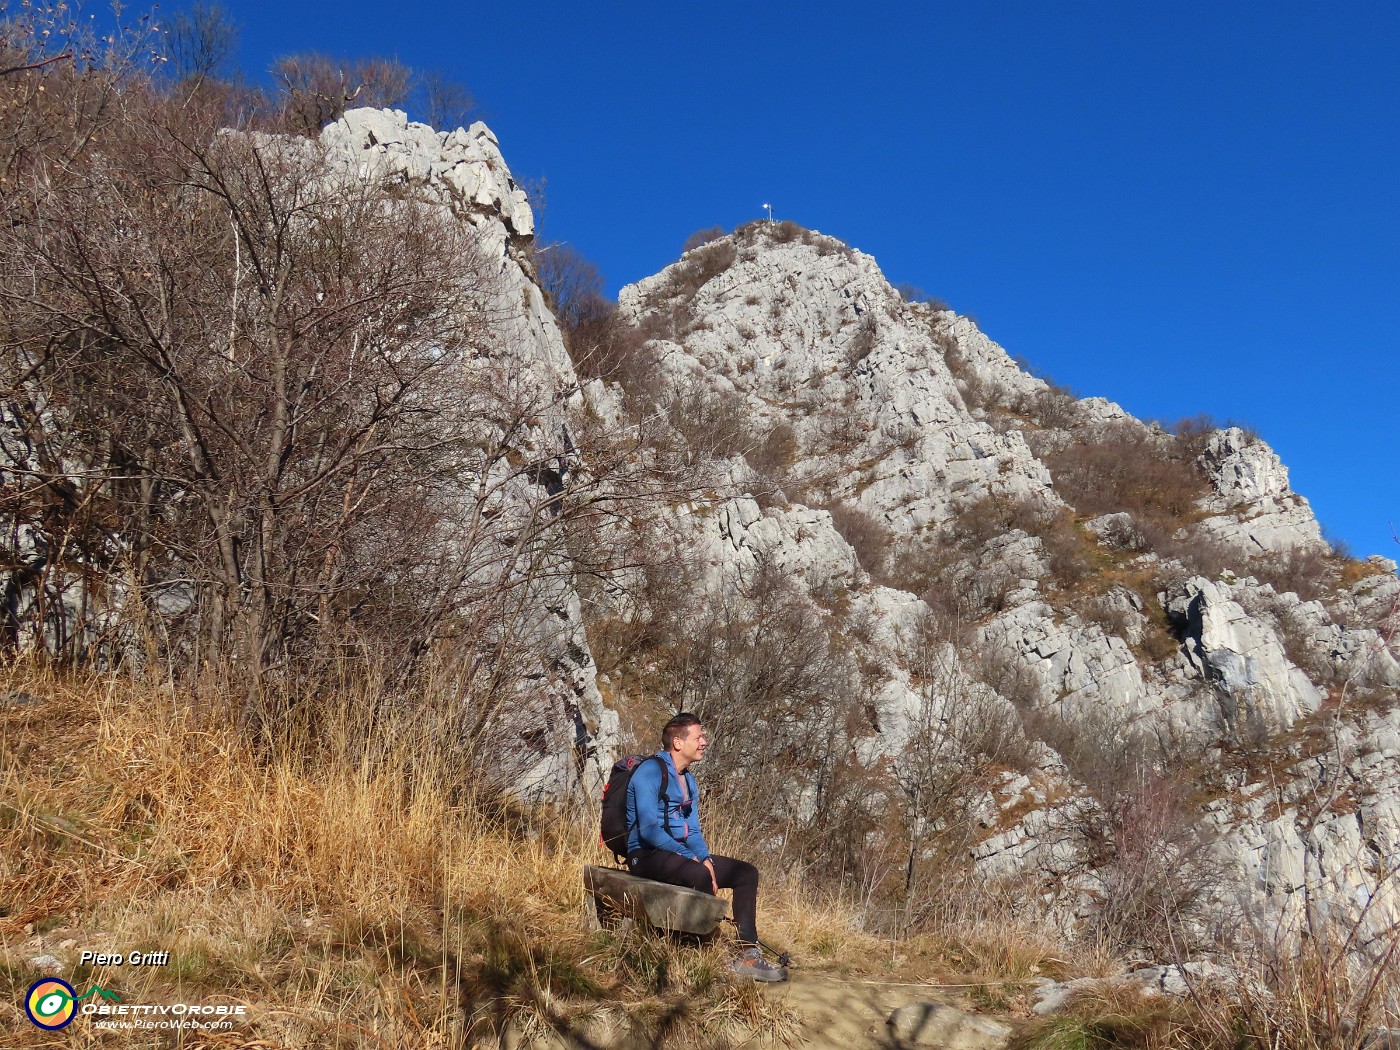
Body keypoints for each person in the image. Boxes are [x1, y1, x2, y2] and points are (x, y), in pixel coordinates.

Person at [624, 712, 788, 982]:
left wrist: (706, 858)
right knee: (698, 875)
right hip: (644, 855)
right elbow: (649, 830)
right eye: (698, 736)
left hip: (678, 855)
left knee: (746, 873)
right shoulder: (650, 772)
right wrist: (694, 861)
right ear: (678, 742)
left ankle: (749, 954)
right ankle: (706, 956)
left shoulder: (688, 780)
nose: (704, 742)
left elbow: (694, 831)